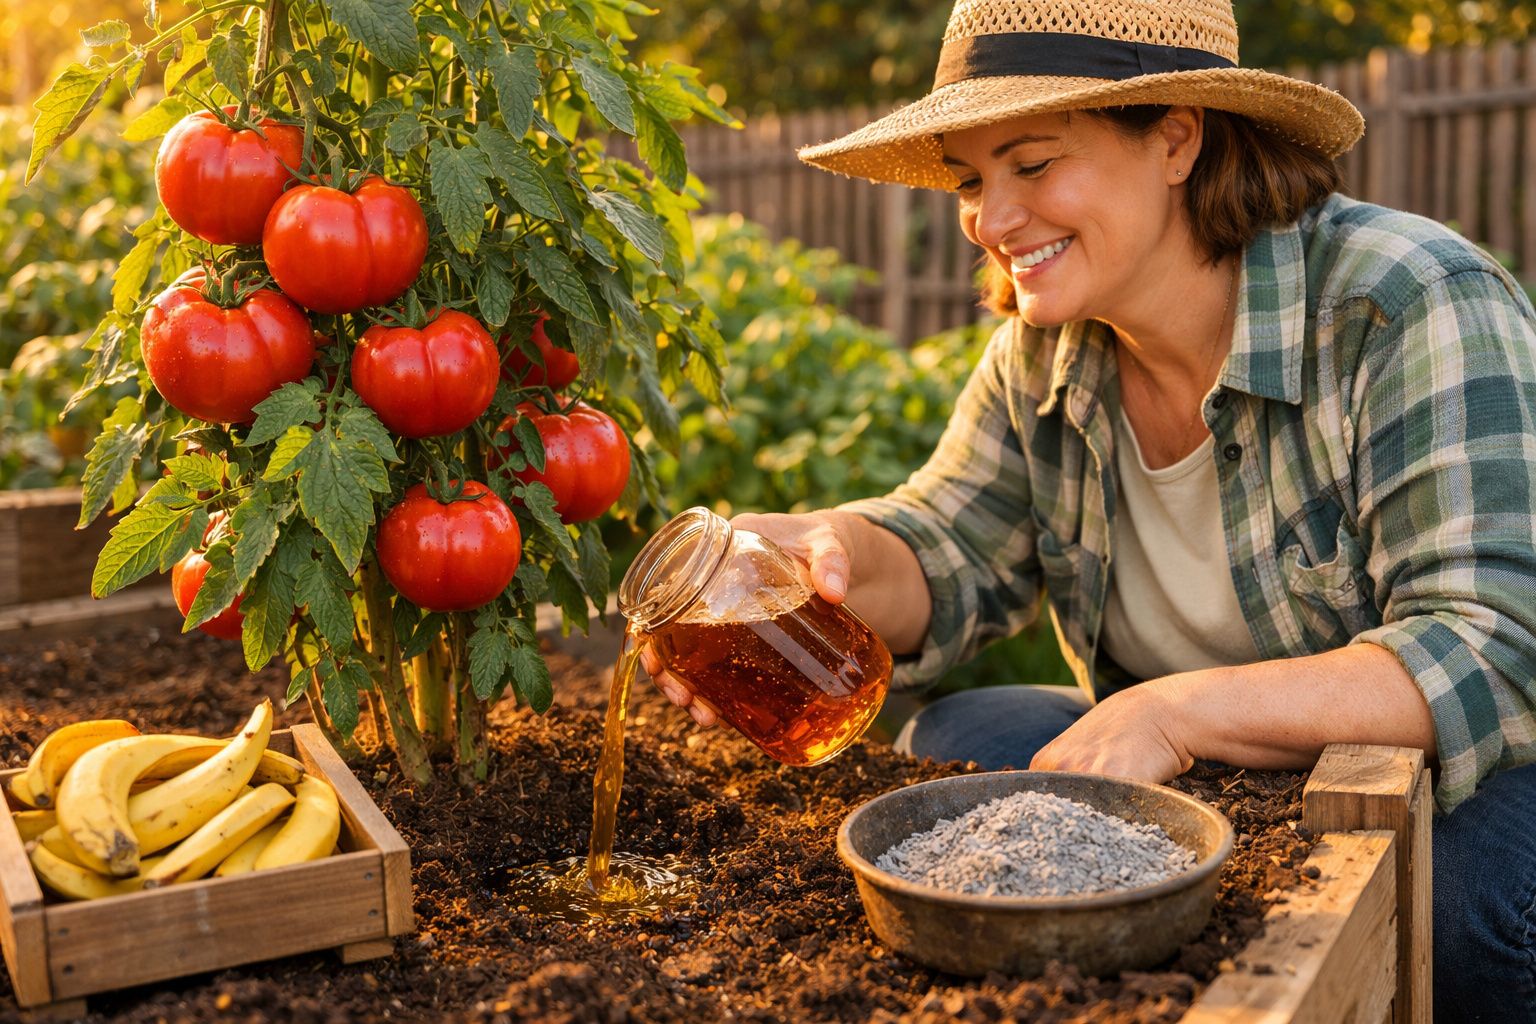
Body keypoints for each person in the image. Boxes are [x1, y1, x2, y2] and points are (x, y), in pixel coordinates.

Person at [642, 0, 1536, 1017]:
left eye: (1031, 164)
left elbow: (1490, 648)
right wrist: (829, 548)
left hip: (1460, 777)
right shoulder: (1044, 357)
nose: (991, 220)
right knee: (962, 737)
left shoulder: (1404, 302)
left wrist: (1172, 710)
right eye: (971, 180)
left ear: (1176, 139)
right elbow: (945, 546)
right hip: (1214, 774)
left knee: (1457, 905)